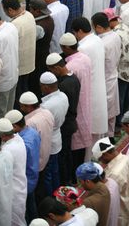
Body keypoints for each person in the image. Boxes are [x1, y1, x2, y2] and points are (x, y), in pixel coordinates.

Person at [54, 36, 92, 166]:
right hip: (85, 100)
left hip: (76, 104)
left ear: (66, 47)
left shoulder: (70, 66)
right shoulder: (85, 58)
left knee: (75, 141)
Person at [71, 18, 109, 143]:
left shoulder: (83, 48)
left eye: (75, 33)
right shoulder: (97, 39)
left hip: (90, 89)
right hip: (99, 86)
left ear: (80, 31)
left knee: (89, 129)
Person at [92, 137, 129, 226]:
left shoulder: (114, 174)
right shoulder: (125, 158)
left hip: (118, 214)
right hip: (126, 206)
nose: (101, 162)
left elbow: (108, 198)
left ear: (106, 154)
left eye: (100, 159)